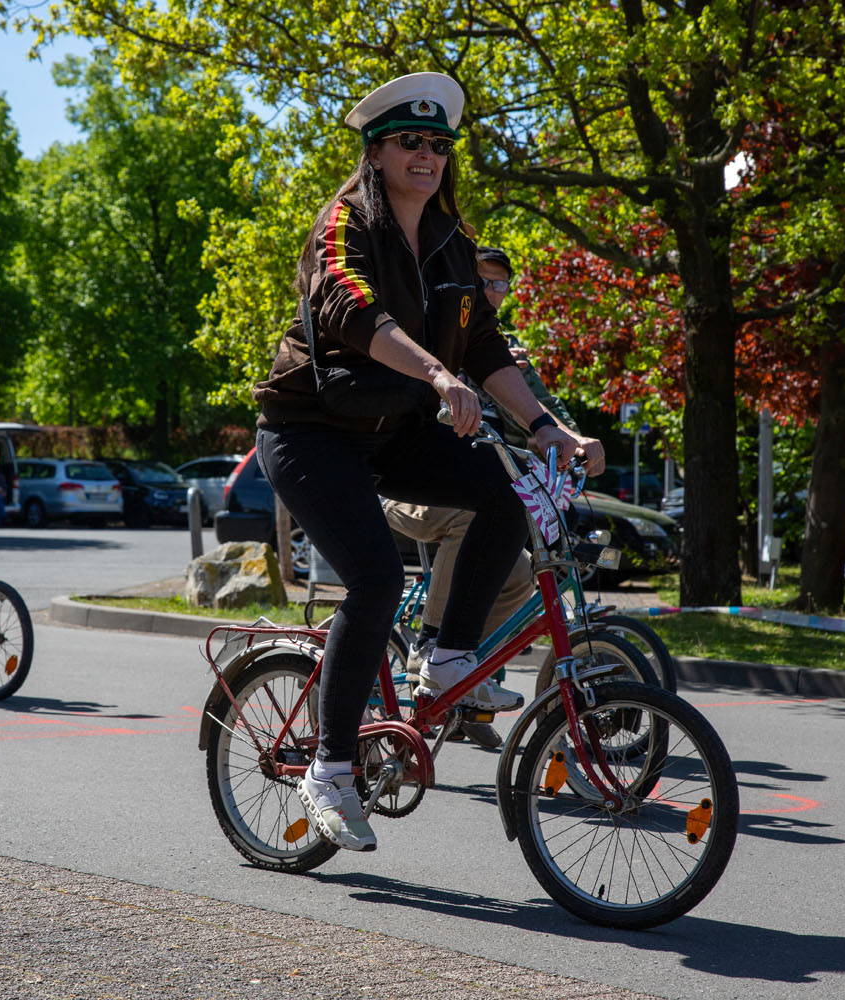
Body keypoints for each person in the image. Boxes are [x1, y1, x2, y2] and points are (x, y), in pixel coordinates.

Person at [252, 73, 606, 852]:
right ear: (376, 153)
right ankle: (331, 770)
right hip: (312, 430)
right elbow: (353, 309)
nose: (427, 156)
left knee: (502, 488)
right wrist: (437, 375)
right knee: (376, 578)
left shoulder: (454, 242)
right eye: (410, 142)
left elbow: (484, 349)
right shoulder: (342, 225)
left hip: (392, 431)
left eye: (439, 145)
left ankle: (447, 658)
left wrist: (551, 429)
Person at [382, 245, 583, 750]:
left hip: (475, 477)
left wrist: (573, 439)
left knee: (518, 573)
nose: (493, 293)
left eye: (501, 285)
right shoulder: (435, 327)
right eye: (484, 282)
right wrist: (465, 381)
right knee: (475, 514)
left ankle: (462, 665)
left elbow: (542, 410)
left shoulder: (500, 345)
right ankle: (432, 648)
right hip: (411, 482)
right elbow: (425, 395)